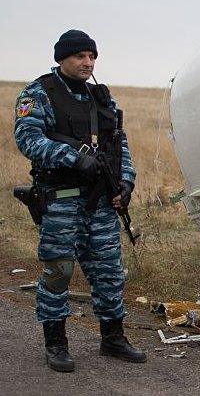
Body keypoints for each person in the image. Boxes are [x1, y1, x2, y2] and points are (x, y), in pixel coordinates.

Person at [14, 29, 146, 372]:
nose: (87, 63)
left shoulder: (101, 99)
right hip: (60, 200)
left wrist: (125, 183)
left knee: (109, 273)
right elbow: (28, 140)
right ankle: (56, 343)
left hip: (100, 202)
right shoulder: (39, 93)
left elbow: (120, 145)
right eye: (79, 56)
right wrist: (72, 157)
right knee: (59, 271)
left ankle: (113, 339)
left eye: (92, 57)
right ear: (62, 58)